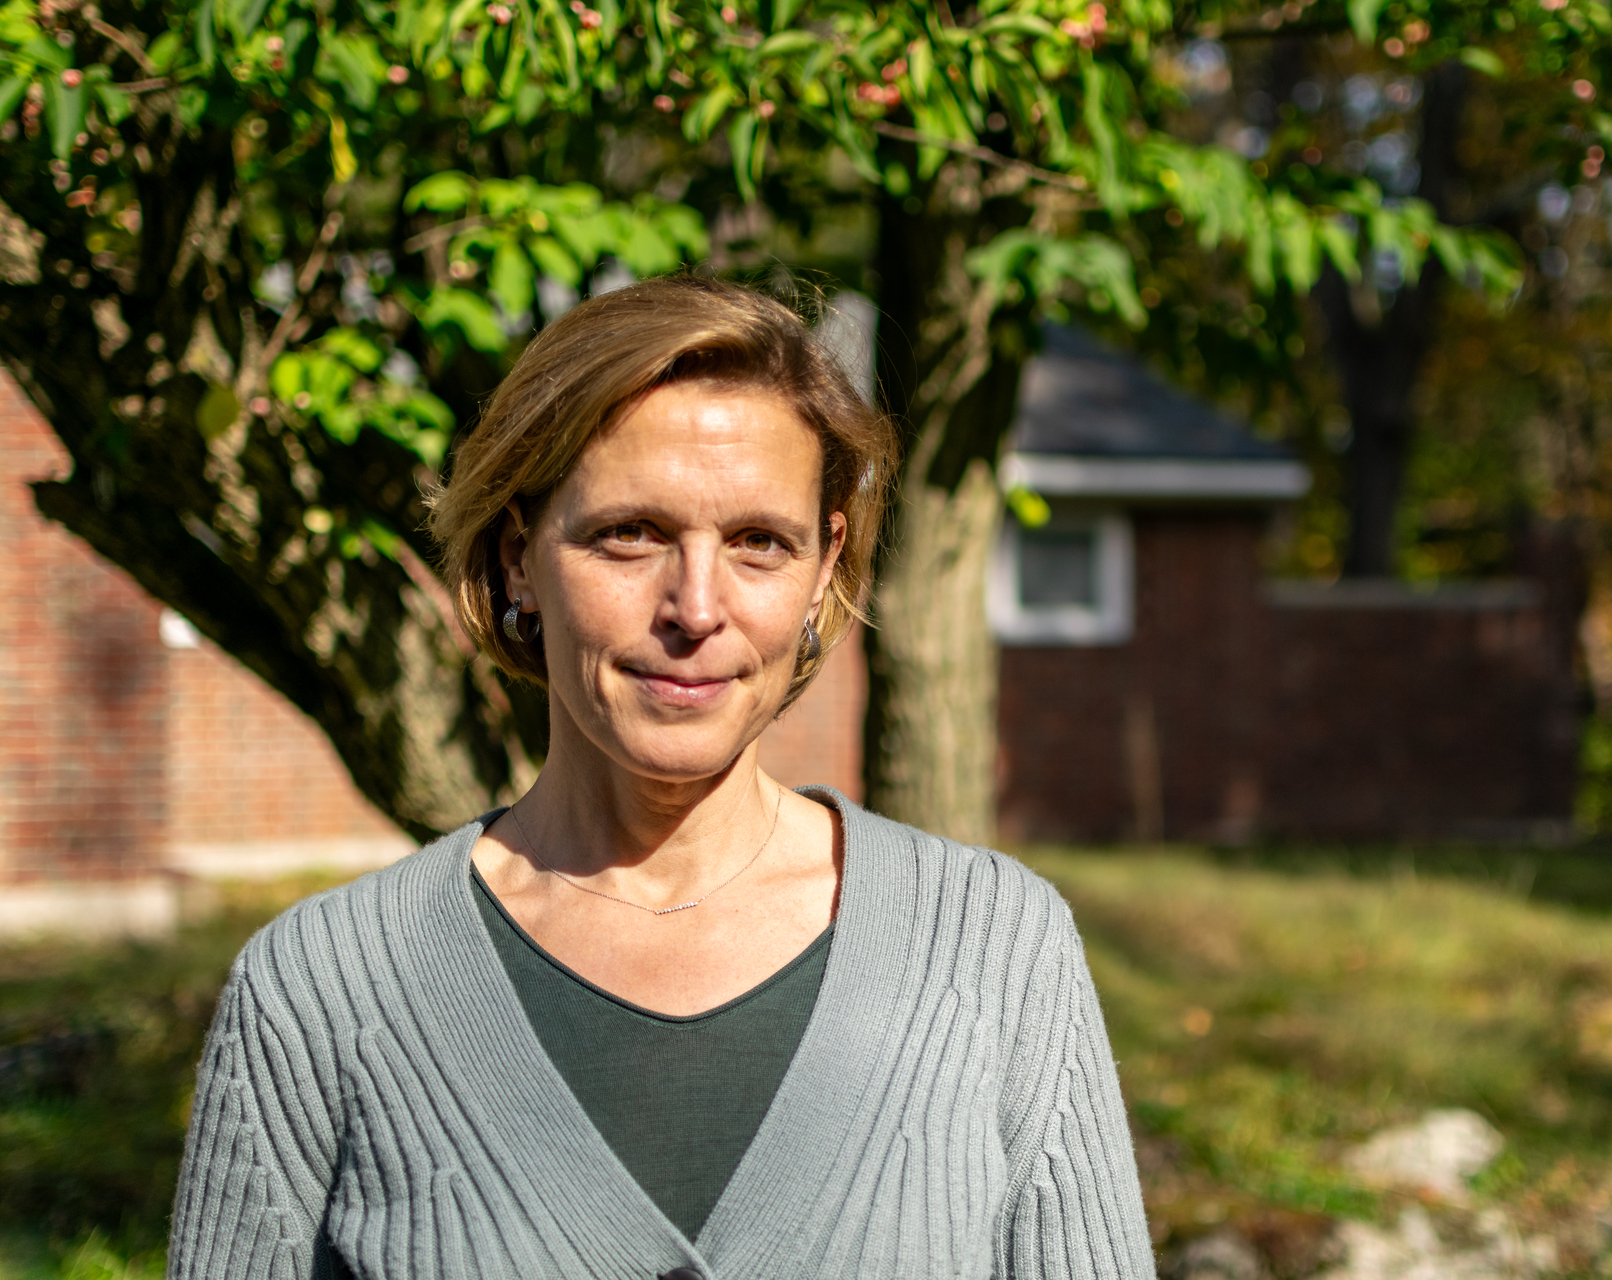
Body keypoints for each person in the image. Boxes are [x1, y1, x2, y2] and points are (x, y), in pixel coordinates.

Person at [168, 277, 1155, 1280]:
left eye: (758, 543)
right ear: (519, 558)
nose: (695, 606)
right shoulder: (320, 991)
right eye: (629, 534)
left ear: (825, 568)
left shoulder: (994, 949)